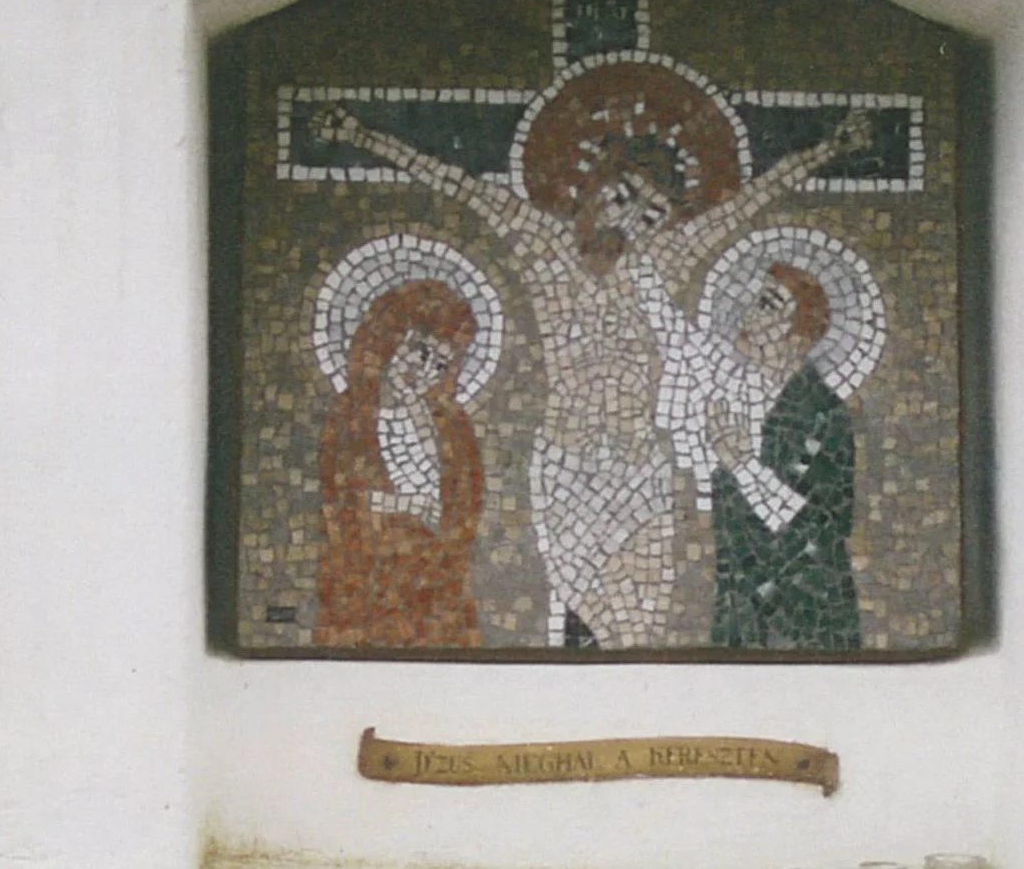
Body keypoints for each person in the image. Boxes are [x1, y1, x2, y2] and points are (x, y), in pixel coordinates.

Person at [317, 66, 869, 649]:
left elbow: (743, 206)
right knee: (580, 622)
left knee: (640, 632)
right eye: (622, 198)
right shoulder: (542, 243)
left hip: (640, 472)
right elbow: (462, 187)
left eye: (650, 217)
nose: (628, 223)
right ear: (594, 185)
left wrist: (827, 150)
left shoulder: (665, 259)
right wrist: (364, 138)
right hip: (566, 469)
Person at [315, 280, 485, 649]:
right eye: (419, 352)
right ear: (396, 340)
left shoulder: (452, 427)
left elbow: (465, 504)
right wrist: (402, 507)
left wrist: (442, 551)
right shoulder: (352, 415)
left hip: (437, 584)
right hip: (370, 579)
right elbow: (340, 499)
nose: (423, 372)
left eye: (440, 365)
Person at [707, 262, 861, 651]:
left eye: (767, 305)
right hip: (740, 623)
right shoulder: (741, 405)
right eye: (755, 300)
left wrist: (743, 465)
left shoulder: (822, 415)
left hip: (806, 624)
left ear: (796, 338)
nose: (748, 316)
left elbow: (819, 528)